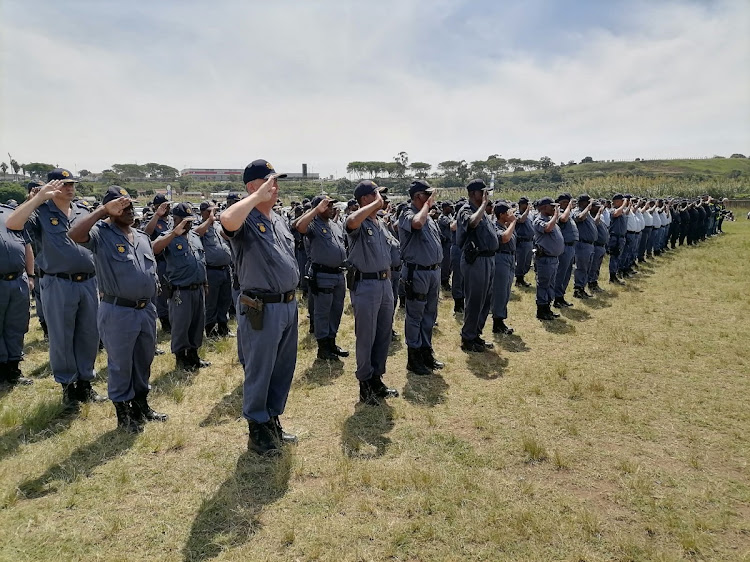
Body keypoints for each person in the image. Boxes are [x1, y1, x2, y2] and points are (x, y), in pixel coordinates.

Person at [68, 186, 167, 433]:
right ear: (110, 210)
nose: (129, 210)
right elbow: (74, 235)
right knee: (121, 363)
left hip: (145, 310)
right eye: (122, 206)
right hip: (118, 311)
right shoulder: (101, 233)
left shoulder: (142, 237)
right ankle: (123, 412)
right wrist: (101, 211)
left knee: (144, 360)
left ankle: (141, 404)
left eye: (130, 205)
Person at [6, 169, 105, 408]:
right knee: (62, 336)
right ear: (52, 186)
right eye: (64, 185)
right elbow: (12, 223)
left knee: (89, 335)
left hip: (89, 282)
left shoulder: (82, 210)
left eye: (72, 184)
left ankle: (85, 383)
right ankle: (68, 387)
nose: (70, 188)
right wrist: (38, 198)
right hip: (58, 282)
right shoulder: (40, 212)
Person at [220, 159, 299, 455]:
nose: (275, 188)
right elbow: (227, 221)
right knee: (260, 369)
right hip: (261, 308)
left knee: (282, 368)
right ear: (253, 187)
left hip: (288, 304)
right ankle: (257, 428)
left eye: (276, 182)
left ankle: (272, 420)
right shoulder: (246, 217)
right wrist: (255, 197)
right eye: (269, 182)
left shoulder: (277, 219)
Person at [345, 180, 400, 405]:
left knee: (383, 334)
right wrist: (371, 207)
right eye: (378, 195)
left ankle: (377, 378)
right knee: (366, 337)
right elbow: (350, 222)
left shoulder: (380, 223)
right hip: (366, 286)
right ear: (365, 199)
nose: (383, 199)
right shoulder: (358, 221)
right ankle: (365, 383)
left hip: (385, 284)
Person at [153, 203, 211, 371]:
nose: (188, 224)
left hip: (197, 288)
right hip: (181, 290)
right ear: (175, 219)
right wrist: (173, 233)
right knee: (181, 325)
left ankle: (193, 355)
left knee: (197, 324)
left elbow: (201, 260)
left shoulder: (194, 236)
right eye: (184, 221)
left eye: (190, 221)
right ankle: (181, 358)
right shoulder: (168, 237)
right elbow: (154, 248)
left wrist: (205, 282)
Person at [294, 195, 349, 361]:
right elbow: (299, 226)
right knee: (322, 312)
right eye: (327, 206)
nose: (331, 208)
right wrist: (316, 210)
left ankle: (332, 342)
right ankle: (323, 347)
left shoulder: (334, 224)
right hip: (323, 274)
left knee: (336, 310)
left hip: (338, 274)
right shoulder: (313, 224)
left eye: (332, 206)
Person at [398, 179, 444, 375]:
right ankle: (414, 356)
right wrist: (426, 207)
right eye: (427, 195)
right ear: (419, 197)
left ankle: (426, 350)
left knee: (429, 315)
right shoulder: (407, 213)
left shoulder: (429, 217)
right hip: (417, 272)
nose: (431, 198)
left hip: (433, 271)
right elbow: (416, 224)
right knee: (415, 315)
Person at [457, 179, 498, 352]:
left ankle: (476, 334)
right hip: (475, 260)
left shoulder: (482, 212)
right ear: (474, 194)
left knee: (485, 300)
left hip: (488, 259)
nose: (485, 195)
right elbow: (472, 223)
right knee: (475, 300)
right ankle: (468, 338)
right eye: (483, 192)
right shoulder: (466, 210)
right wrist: (483, 206)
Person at [0, 201, 34, 386]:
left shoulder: (11, 212)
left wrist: (30, 275)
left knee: (17, 326)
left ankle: (13, 368)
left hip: (18, 280)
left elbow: (27, 246)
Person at [196, 201, 233, 338]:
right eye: (209, 211)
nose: (213, 213)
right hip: (211, 270)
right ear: (202, 212)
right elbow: (196, 234)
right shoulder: (199, 226)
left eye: (214, 211)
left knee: (225, 299)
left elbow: (228, 237)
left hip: (225, 269)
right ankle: (211, 330)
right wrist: (209, 220)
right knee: (211, 302)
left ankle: (223, 327)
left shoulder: (218, 226)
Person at [532, 197, 565, 320]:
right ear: (544, 207)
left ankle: (547, 308)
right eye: (552, 206)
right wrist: (556, 215)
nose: (554, 209)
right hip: (544, 259)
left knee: (551, 285)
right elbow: (547, 228)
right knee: (543, 284)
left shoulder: (551, 220)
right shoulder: (538, 220)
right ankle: (541, 310)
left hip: (553, 259)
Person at [143, 194, 173, 333]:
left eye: (167, 205)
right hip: (160, 262)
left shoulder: (173, 220)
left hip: (174, 261)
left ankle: (173, 319)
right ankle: (165, 321)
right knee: (162, 294)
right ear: (155, 207)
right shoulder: (154, 221)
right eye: (162, 205)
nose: (166, 208)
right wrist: (156, 215)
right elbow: (145, 233)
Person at [491, 201, 517, 334]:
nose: (511, 215)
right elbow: (504, 239)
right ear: (501, 215)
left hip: (510, 258)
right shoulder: (496, 227)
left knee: (506, 290)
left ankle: (500, 318)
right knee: (500, 291)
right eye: (508, 213)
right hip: (501, 259)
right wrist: (512, 223)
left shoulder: (504, 226)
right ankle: (497, 322)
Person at [552, 193, 577, 308]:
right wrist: (568, 208)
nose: (569, 204)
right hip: (564, 247)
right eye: (567, 202)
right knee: (561, 273)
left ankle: (561, 296)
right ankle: (556, 298)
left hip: (571, 247)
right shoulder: (559, 212)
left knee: (567, 274)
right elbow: (562, 219)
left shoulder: (569, 213)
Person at [571, 194, 596, 299]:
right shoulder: (578, 211)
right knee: (581, 268)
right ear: (583, 202)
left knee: (587, 268)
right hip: (582, 244)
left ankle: (582, 288)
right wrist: (588, 207)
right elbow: (579, 217)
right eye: (588, 202)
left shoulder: (588, 213)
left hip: (589, 245)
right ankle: (578, 289)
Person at [586, 199, 608, 293]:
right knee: (593, 266)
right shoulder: (591, 217)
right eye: (597, 208)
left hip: (601, 246)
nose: (600, 209)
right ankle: (591, 283)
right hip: (596, 245)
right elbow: (594, 223)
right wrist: (599, 213)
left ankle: (595, 282)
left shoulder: (599, 216)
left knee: (597, 266)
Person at [607, 194, 629, 284]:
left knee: (618, 257)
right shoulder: (613, 210)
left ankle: (615, 274)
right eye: (622, 200)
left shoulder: (621, 210)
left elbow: (625, 212)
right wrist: (624, 204)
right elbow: (616, 214)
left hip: (621, 237)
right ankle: (612, 277)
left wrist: (628, 205)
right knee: (614, 256)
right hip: (615, 237)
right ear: (616, 201)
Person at [514, 196, 533, 288]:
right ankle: (518, 279)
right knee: (520, 262)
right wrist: (527, 211)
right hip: (521, 242)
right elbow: (521, 220)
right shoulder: (517, 213)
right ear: (522, 205)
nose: (528, 206)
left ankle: (522, 277)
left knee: (527, 262)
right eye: (526, 204)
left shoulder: (528, 215)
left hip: (529, 241)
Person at [438, 202, 453, 291]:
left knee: (449, 265)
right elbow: (451, 225)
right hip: (445, 244)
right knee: (445, 264)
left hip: (449, 244)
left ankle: (446, 280)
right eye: (449, 207)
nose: (451, 209)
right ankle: (444, 282)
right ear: (444, 208)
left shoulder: (449, 216)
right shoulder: (442, 218)